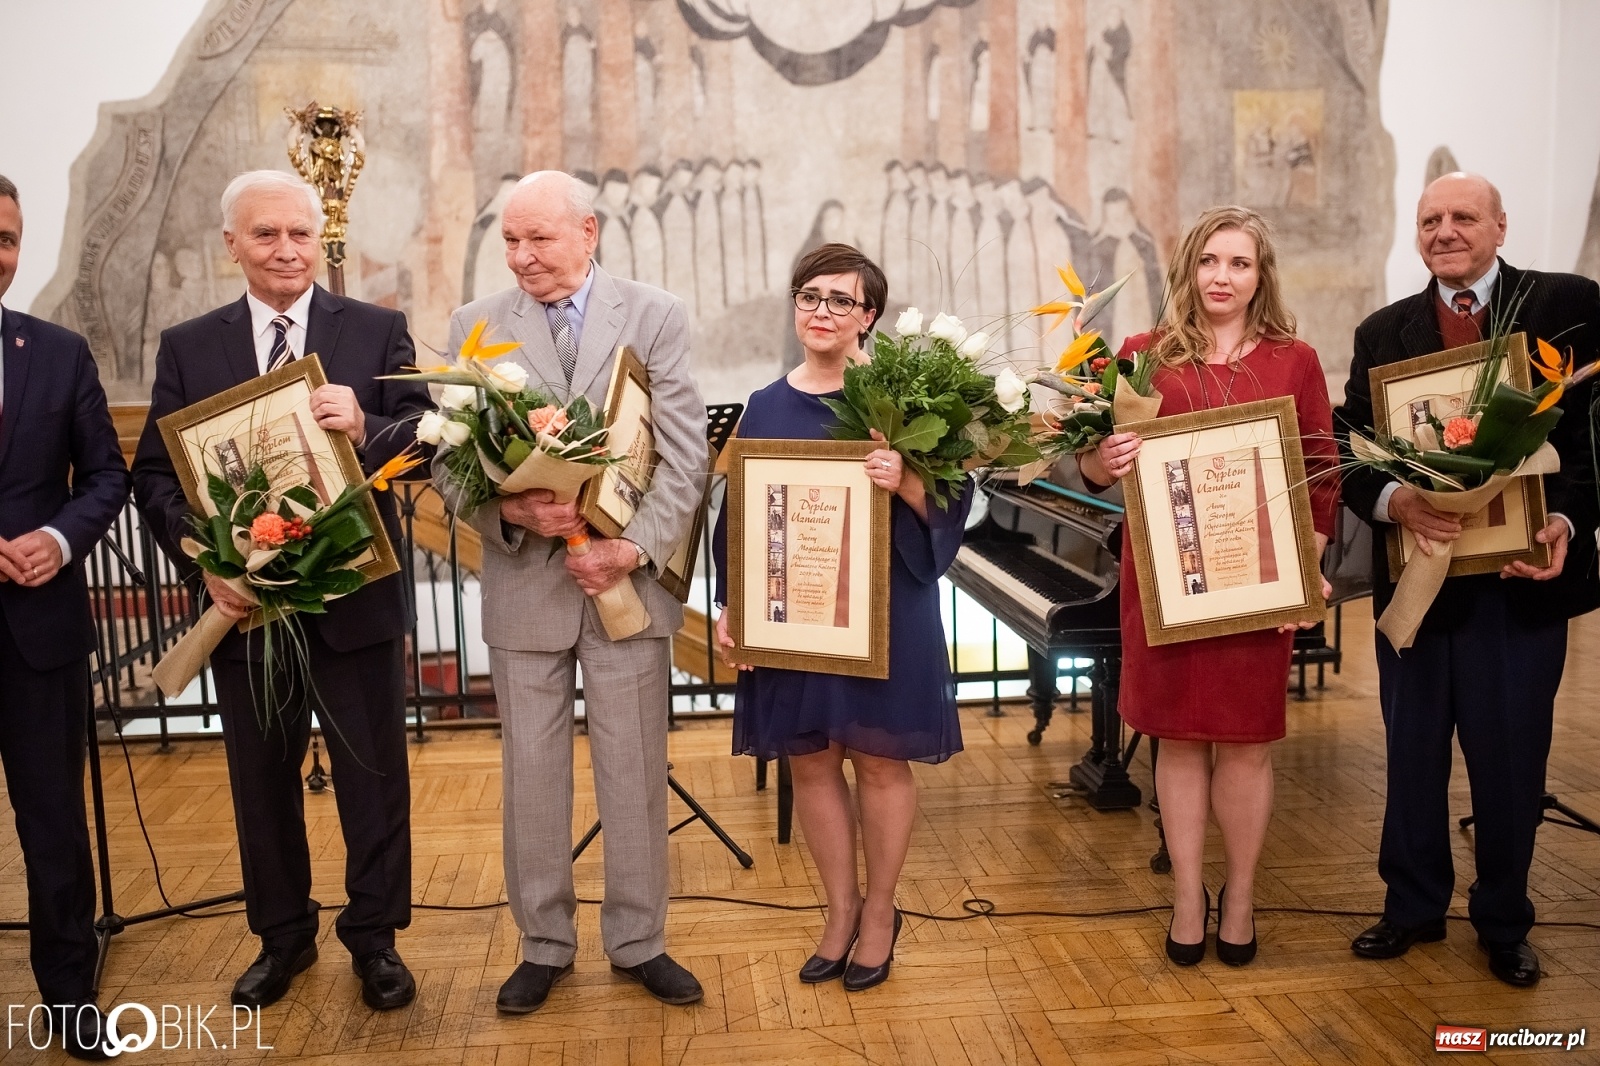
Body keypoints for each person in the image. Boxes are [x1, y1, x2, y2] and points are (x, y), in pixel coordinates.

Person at [132, 170, 431, 1012]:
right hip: (247, 610)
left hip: (355, 604)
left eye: (300, 233)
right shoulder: (189, 347)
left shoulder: (375, 330)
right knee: (260, 782)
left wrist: (369, 427)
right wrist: (205, 563)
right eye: (265, 234)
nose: (287, 249)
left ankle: (375, 940)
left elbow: (427, 439)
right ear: (233, 244)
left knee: (372, 780)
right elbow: (156, 477)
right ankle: (283, 938)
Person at [435, 171, 708, 1013]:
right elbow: (449, 465)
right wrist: (508, 507)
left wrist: (629, 549)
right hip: (525, 588)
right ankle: (544, 944)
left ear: (588, 233)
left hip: (626, 587)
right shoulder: (474, 327)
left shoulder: (656, 315)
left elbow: (686, 455)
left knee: (634, 768)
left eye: (539, 239)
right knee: (531, 776)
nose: (521, 257)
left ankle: (639, 941)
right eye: (510, 241)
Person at [1334, 172, 1600, 987]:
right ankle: (1410, 907)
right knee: (1411, 755)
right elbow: (1350, 452)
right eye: (1430, 220)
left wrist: (1567, 525)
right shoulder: (1385, 331)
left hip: (1524, 584)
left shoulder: (1569, 305)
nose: (1445, 231)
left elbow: (1593, 444)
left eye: (1462, 217)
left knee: (1511, 760)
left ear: (1499, 226)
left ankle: (1504, 920)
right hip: (1419, 584)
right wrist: (1396, 500)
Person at [1079, 207, 1338, 967]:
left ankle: (1244, 893)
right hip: (1164, 582)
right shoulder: (1140, 356)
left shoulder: (1296, 360)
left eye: (1240, 263)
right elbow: (1092, 467)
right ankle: (1188, 894)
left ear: (1262, 276)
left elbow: (1322, 474)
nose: (1222, 277)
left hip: (1258, 587)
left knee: (1248, 745)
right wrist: (1108, 458)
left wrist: (1308, 564)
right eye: (1210, 262)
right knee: (1180, 740)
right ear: (1188, 270)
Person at [713, 243, 969, 991]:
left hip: (886, 613)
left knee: (881, 761)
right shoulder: (765, 405)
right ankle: (839, 909)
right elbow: (744, 516)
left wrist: (909, 481)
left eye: (840, 300)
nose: (821, 311)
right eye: (809, 296)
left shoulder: (900, 399)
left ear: (870, 316)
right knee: (811, 759)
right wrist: (734, 608)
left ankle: (882, 913)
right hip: (797, 618)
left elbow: (954, 503)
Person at [0, 175, 130, 1060]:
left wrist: (58, 534)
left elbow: (109, 478)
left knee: (53, 823)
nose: (0, 255)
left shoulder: (56, 351)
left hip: (37, 634)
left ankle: (70, 995)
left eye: (8, 238)